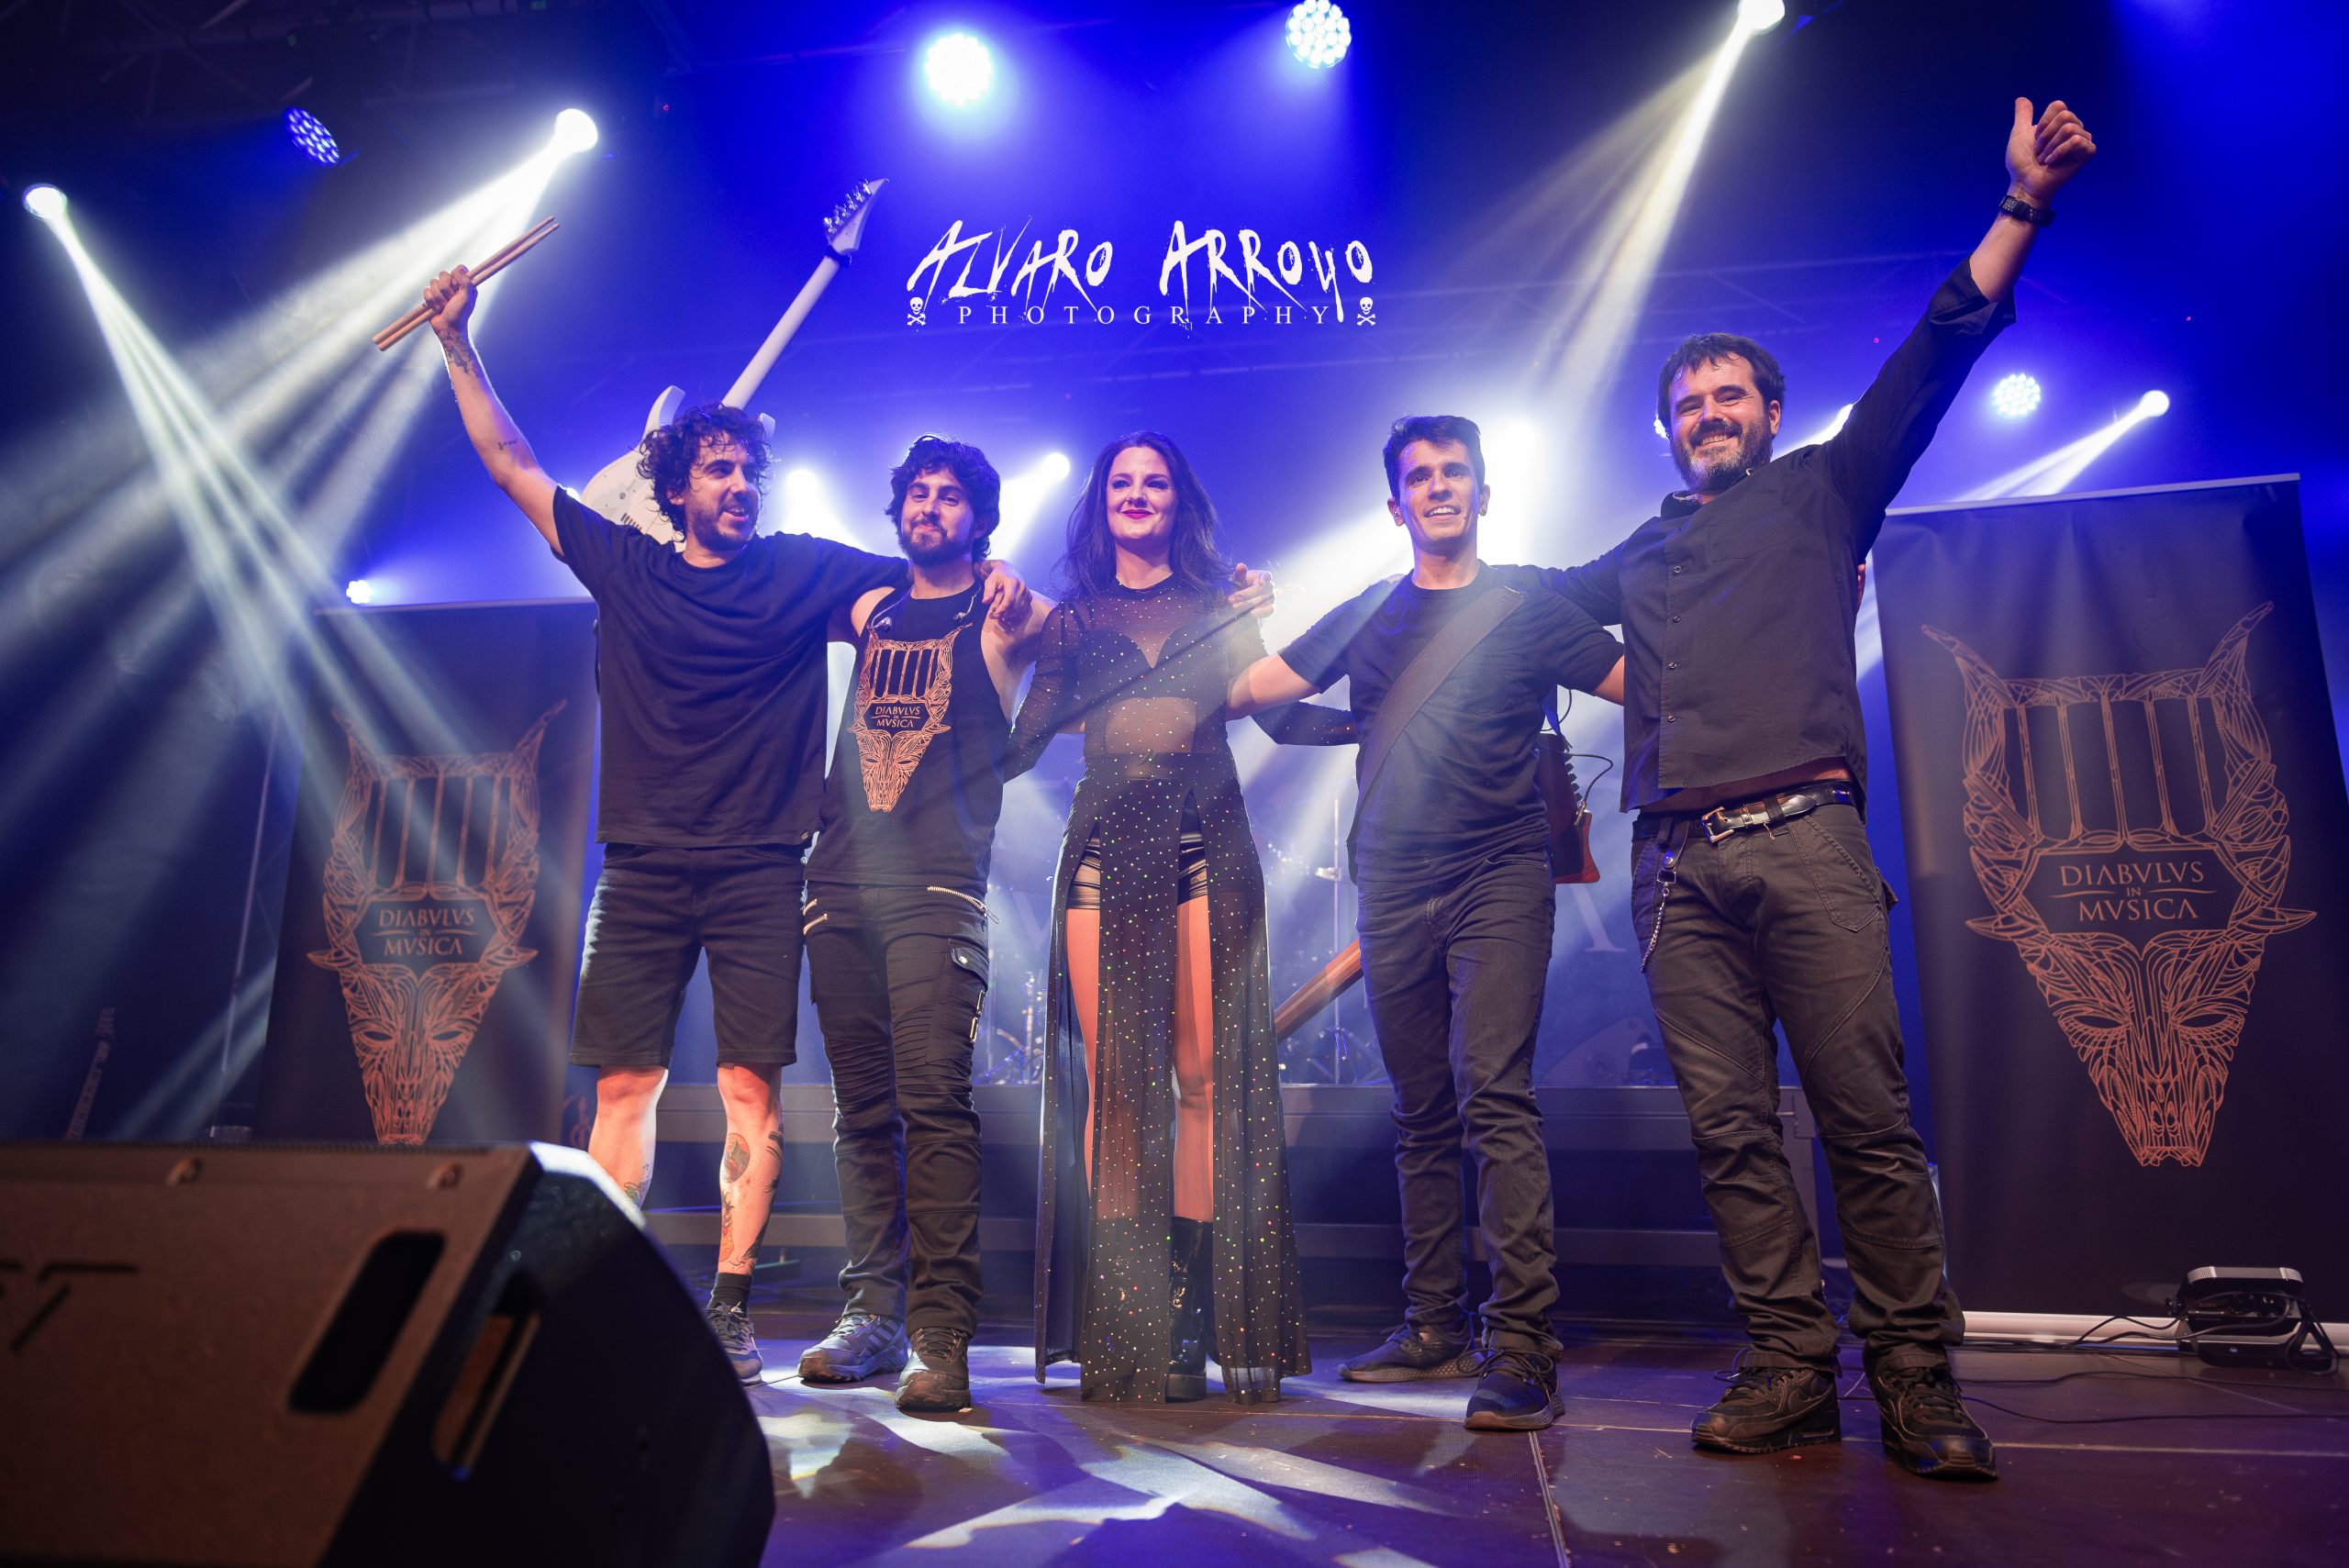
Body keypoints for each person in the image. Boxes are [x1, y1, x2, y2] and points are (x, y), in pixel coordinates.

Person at [1542, 98, 2097, 1480]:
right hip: (1677, 870)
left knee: (1865, 1119)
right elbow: (1527, 616)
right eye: (1687, 405)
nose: (1707, 416)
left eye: (1727, 397)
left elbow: (1935, 352)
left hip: (1806, 841)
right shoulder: (1639, 552)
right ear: (1668, 432)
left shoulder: (1822, 492)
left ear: (1770, 414)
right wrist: (1634, 686)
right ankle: (1790, 1365)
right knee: (1732, 1133)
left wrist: (2020, 204)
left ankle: (1913, 1376)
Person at [418, 270, 1027, 1385]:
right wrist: (458, 342)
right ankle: (601, 1291)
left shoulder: (800, 568)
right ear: (675, 486)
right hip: (641, 866)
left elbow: (927, 584)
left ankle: (733, 1309)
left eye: (751, 470)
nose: (741, 484)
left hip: (764, 870)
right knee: (624, 1089)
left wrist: (1001, 583)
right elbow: (510, 461)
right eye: (719, 469)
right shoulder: (624, 564)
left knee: (752, 1092)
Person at [1230, 416, 1625, 1431]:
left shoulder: (1526, 606)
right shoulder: (1370, 608)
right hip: (1392, 878)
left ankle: (1523, 1344)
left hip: (1499, 872)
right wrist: (1249, 636)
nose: (1438, 486)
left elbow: (1649, 685)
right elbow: (1257, 697)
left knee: (1492, 1093)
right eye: (1420, 476)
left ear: (1483, 494)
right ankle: (1433, 1324)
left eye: (1455, 472)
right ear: (1395, 504)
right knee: (1418, 1110)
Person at [1007, 432, 1348, 1405]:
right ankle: (1128, 1306)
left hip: (1205, 843)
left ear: (1178, 500)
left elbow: (1276, 714)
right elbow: (1021, 742)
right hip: (1104, 854)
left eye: (1154, 481)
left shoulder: (1217, 607)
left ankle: (1188, 1312)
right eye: (1121, 481)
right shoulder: (1073, 622)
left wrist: (1385, 711)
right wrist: (982, 656)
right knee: (1118, 1086)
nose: (1137, 493)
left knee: (1199, 1079)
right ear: (1100, 504)